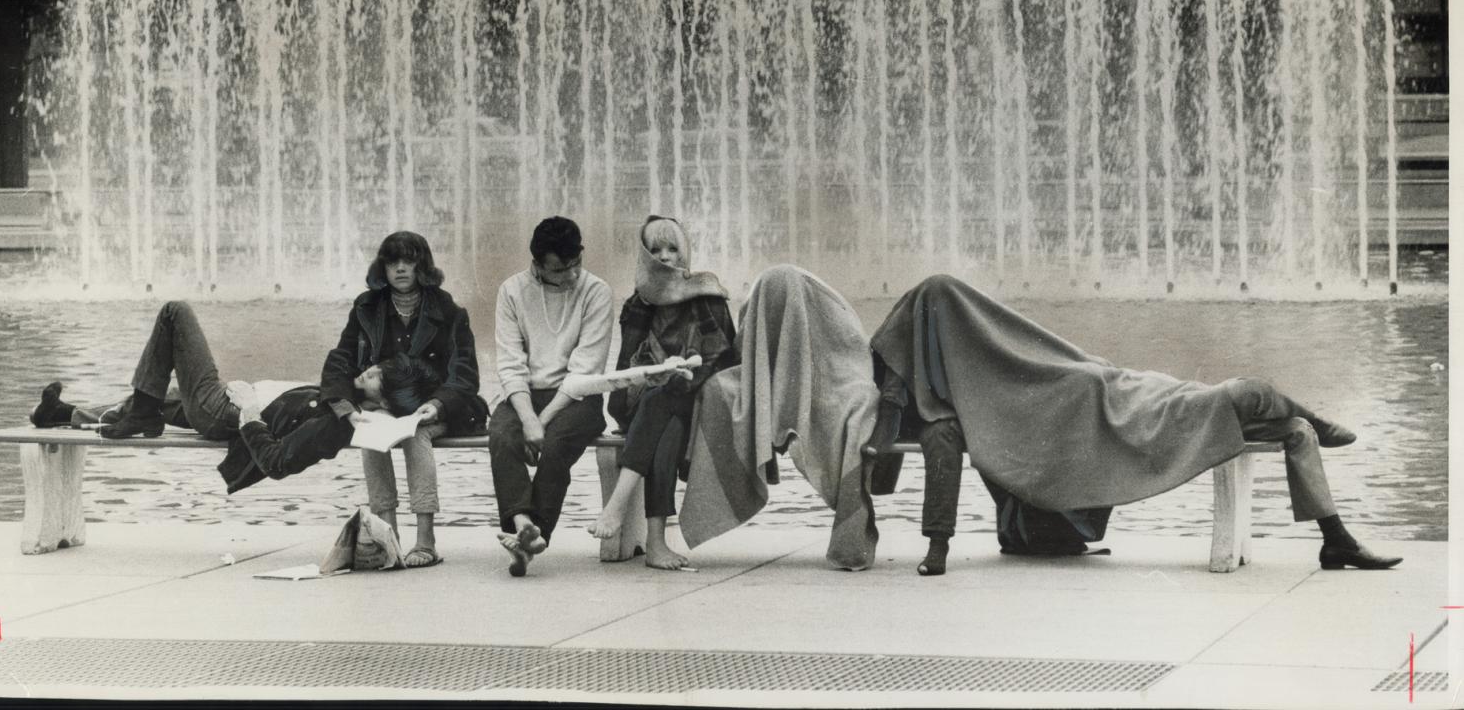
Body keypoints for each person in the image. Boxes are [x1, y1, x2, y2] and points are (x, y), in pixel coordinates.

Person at [865, 274, 1401, 574]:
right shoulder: (959, 387)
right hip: (1141, 408)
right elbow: (895, 420)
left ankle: (1336, 540)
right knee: (1251, 396)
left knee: (1291, 432)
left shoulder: (979, 373)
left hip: (1140, 395)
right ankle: (1313, 418)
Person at [28, 300, 379, 494]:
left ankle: (143, 416)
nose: (372, 369)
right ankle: (60, 414)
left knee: (175, 313)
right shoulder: (341, 395)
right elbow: (341, 357)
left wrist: (250, 410)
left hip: (225, 411)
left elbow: (277, 463)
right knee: (150, 393)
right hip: (229, 402)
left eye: (380, 377)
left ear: (385, 400)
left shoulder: (336, 423)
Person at [677, 265, 883, 571]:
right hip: (771, 376)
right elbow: (749, 351)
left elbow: (853, 363)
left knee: (854, 412)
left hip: (828, 379)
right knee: (718, 390)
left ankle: (850, 539)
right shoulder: (747, 378)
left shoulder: (846, 373)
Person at [320, 230, 488, 570]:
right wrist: (345, 407)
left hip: (435, 405)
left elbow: (465, 372)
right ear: (382, 266)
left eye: (408, 261)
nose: (400, 269)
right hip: (384, 406)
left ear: (421, 265)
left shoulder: (449, 310)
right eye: (392, 261)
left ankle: (426, 540)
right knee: (369, 434)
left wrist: (438, 404)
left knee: (416, 435)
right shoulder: (366, 306)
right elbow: (340, 360)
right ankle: (387, 538)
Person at [588, 216, 739, 570]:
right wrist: (655, 375)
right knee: (664, 421)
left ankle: (619, 507)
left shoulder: (707, 296)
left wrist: (682, 374)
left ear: (685, 253)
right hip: (643, 401)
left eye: (673, 248)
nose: (665, 256)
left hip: (701, 402)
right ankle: (656, 546)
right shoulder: (638, 304)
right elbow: (626, 367)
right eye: (655, 249)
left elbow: (724, 361)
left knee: (669, 397)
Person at [487, 216, 613, 576]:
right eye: (560, 269)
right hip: (525, 394)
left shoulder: (596, 291)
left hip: (579, 398)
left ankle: (531, 535)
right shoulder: (512, 291)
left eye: (576, 264)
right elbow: (511, 366)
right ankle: (525, 525)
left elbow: (585, 370)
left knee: (556, 444)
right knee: (501, 435)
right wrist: (526, 417)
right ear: (537, 264)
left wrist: (539, 422)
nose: (571, 275)